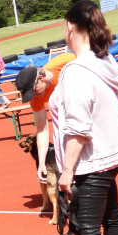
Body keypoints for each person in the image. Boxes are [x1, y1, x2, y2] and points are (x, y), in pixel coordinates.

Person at [48, 0, 118, 235]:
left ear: (69, 27)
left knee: (86, 229)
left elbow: (78, 127)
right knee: (112, 218)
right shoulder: (103, 59)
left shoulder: (77, 70)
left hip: (92, 160)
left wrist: (66, 171)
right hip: (112, 153)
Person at [15, 51, 75, 184]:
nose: (33, 96)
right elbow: (42, 129)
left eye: (33, 91)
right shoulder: (36, 98)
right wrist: (41, 162)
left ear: (41, 79)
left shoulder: (67, 61)